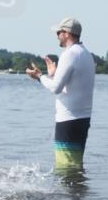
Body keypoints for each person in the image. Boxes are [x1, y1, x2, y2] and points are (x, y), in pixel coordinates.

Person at [26, 17, 95, 171]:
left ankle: (70, 195)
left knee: (66, 168)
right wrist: (52, 75)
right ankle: (78, 195)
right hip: (82, 119)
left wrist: (39, 76)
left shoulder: (69, 54)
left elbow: (56, 88)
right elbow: (69, 86)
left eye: (59, 32)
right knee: (75, 165)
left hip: (68, 120)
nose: (57, 35)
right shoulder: (86, 54)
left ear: (67, 33)